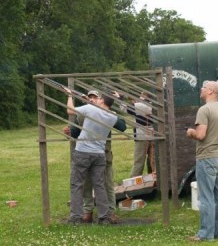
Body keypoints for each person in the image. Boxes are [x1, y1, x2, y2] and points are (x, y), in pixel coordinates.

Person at [64, 88, 126, 225]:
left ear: (101, 100)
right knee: (100, 186)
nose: (93, 100)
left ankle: (76, 218)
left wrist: (69, 95)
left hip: (83, 152)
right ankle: (104, 218)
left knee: (76, 185)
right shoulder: (112, 116)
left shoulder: (89, 109)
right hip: (99, 154)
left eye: (96, 98)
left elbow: (70, 110)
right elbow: (75, 130)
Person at [187, 81, 218, 241]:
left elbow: (200, 135)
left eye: (204, 87)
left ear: (211, 91)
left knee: (206, 197)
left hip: (207, 157)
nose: (201, 89)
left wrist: (190, 132)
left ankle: (206, 234)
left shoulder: (204, 110)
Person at [115, 91, 155, 177]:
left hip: (142, 136)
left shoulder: (140, 106)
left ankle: (134, 181)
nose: (140, 97)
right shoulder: (154, 105)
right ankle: (154, 179)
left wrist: (119, 98)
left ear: (144, 97)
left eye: (141, 96)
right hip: (154, 135)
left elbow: (124, 109)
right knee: (153, 161)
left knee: (139, 162)